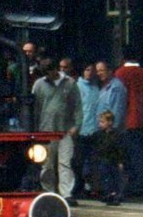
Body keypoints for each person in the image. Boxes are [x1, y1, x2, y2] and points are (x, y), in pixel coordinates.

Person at [31, 55, 82, 205]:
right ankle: (49, 192)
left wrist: (76, 126)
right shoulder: (39, 84)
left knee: (65, 162)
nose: (47, 75)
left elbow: (77, 106)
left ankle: (66, 193)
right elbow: (35, 108)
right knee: (47, 164)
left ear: (55, 70)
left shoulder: (70, 83)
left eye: (49, 72)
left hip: (65, 130)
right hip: (45, 131)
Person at [114, 58, 143, 197]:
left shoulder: (121, 73)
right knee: (142, 154)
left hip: (128, 120)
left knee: (131, 155)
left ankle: (134, 186)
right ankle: (142, 184)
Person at [74, 63, 101, 198]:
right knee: (79, 162)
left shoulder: (96, 88)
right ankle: (79, 188)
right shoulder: (77, 87)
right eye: (87, 69)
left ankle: (91, 188)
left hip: (94, 130)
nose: (90, 73)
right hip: (81, 129)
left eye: (92, 70)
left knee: (93, 162)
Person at [95, 109, 127, 206]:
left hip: (114, 160)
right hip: (104, 159)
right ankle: (108, 193)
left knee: (115, 178)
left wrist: (120, 161)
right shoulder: (100, 135)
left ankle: (115, 195)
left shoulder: (116, 134)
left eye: (102, 122)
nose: (100, 124)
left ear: (110, 122)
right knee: (105, 177)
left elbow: (120, 148)